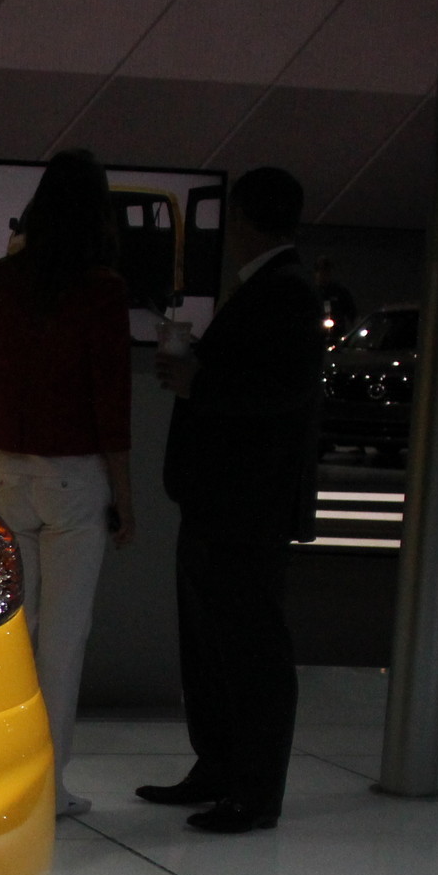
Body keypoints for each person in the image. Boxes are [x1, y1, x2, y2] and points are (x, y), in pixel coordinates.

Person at [142, 167, 325, 833]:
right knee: (215, 643)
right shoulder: (277, 290)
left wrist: (201, 383)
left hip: (244, 507)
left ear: (244, 218)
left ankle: (252, 787)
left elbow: (280, 393)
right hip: (226, 503)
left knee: (247, 647)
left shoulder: (285, 294)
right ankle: (220, 767)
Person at [0, 150, 136, 818]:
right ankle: (48, 786)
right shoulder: (101, 290)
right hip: (73, 481)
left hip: (8, 471)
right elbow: (111, 405)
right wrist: (125, 500)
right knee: (62, 642)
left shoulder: (2, 279)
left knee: (11, 631)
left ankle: (0, 775)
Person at [313, 256, 356, 347]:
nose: (324, 275)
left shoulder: (339, 291)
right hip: (315, 336)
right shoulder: (312, 291)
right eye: (321, 271)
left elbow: (351, 312)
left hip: (337, 335)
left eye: (327, 272)